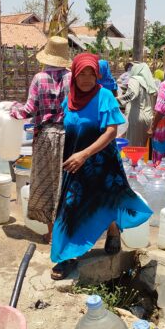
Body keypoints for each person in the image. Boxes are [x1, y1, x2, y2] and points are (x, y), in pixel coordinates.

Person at [50, 53, 152, 280]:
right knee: (70, 208)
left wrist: (84, 154)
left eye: (91, 73)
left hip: (101, 161)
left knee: (107, 198)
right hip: (75, 163)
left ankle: (113, 229)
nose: (86, 78)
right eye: (81, 73)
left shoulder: (104, 96)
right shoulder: (69, 99)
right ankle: (65, 256)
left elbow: (111, 131)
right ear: (74, 75)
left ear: (97, 75)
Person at [10, 36, 71, 241]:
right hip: (69, 136)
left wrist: (12, 110)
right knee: (65, 183)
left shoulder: (39, 78)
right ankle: (66, 231)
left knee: (47, 184)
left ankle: (51, 233)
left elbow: (28, 110)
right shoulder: (72, 78)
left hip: (46, 137)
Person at [118, 62, 157, 147]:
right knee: (141, 147)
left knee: (132, 148)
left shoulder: (135, 79)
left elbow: (132, 94)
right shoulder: (149, 82)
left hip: (136, 117)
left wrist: (117, 100)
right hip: (148, 117)